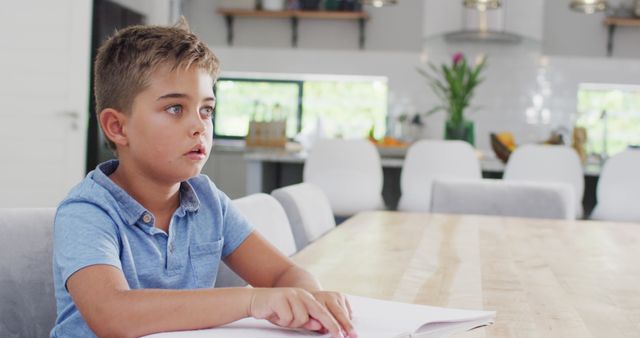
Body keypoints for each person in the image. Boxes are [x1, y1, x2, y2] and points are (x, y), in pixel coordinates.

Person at [51, 19, 356, 338]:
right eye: (174, 108)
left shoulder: (207, 200)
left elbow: (284, 273)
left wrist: (310, 298)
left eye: (206, 110)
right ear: (117, 127)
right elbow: (112, 314)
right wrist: (251, 300)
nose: (199, 126)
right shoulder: (86, 212)